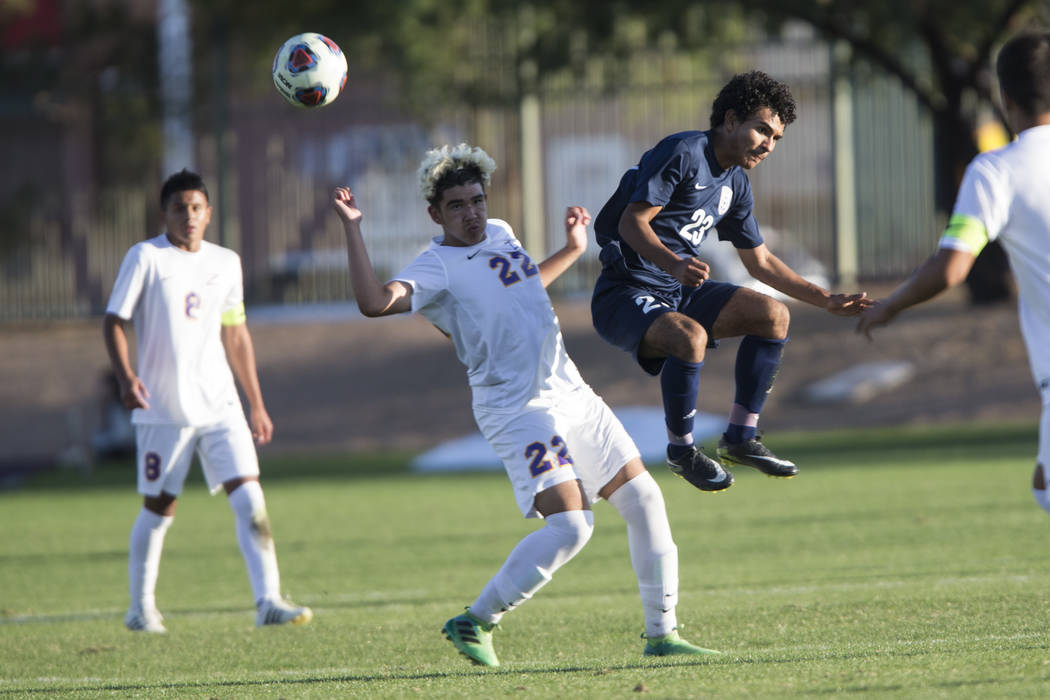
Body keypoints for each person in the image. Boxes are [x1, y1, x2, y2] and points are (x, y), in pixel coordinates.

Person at [333, 143, 721, 667]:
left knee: (646, 501)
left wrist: (572, 248)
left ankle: (662, 634)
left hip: (571, 392)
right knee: (572, 526)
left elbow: (522, 283)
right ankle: (475, 620)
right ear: (434, 214)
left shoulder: (501, 234)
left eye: (476, 201)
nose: (471, 213)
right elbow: (374, 303)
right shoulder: (434, 269)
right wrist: (353, 227)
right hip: (517, 410)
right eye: (456, 206)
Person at [591, 70, 870, 492]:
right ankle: (682, 451)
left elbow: (760, 262)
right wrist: (674, 264)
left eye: (776, 138)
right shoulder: (684, 151)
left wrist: (825, 299)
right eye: (761, 129)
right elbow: (632, 224)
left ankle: (740, 437)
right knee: (689, 336)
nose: (768, 145)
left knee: (772, 315)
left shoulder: (736, 183)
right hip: (624, 291)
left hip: (674, 288)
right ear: (729, 120)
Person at [103, 169, 312, 633]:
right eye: (180, 208)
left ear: (209, 213)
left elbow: (235, 332)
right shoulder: (145, 257)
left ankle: (269, 601)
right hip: (164, 408)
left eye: (197, 208)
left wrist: (255, 402)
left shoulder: (226, 262)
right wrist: (125, 377)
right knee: (160, 509)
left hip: (220, 403)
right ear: (165, 214)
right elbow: (114, 320)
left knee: (250, 497)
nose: (189, 216)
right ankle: (140, 609)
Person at [858, 32, 1050, 513]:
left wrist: (891, 304)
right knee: (1044, 484)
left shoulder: (996, 171)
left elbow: (951, 268)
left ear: (1004, 98)